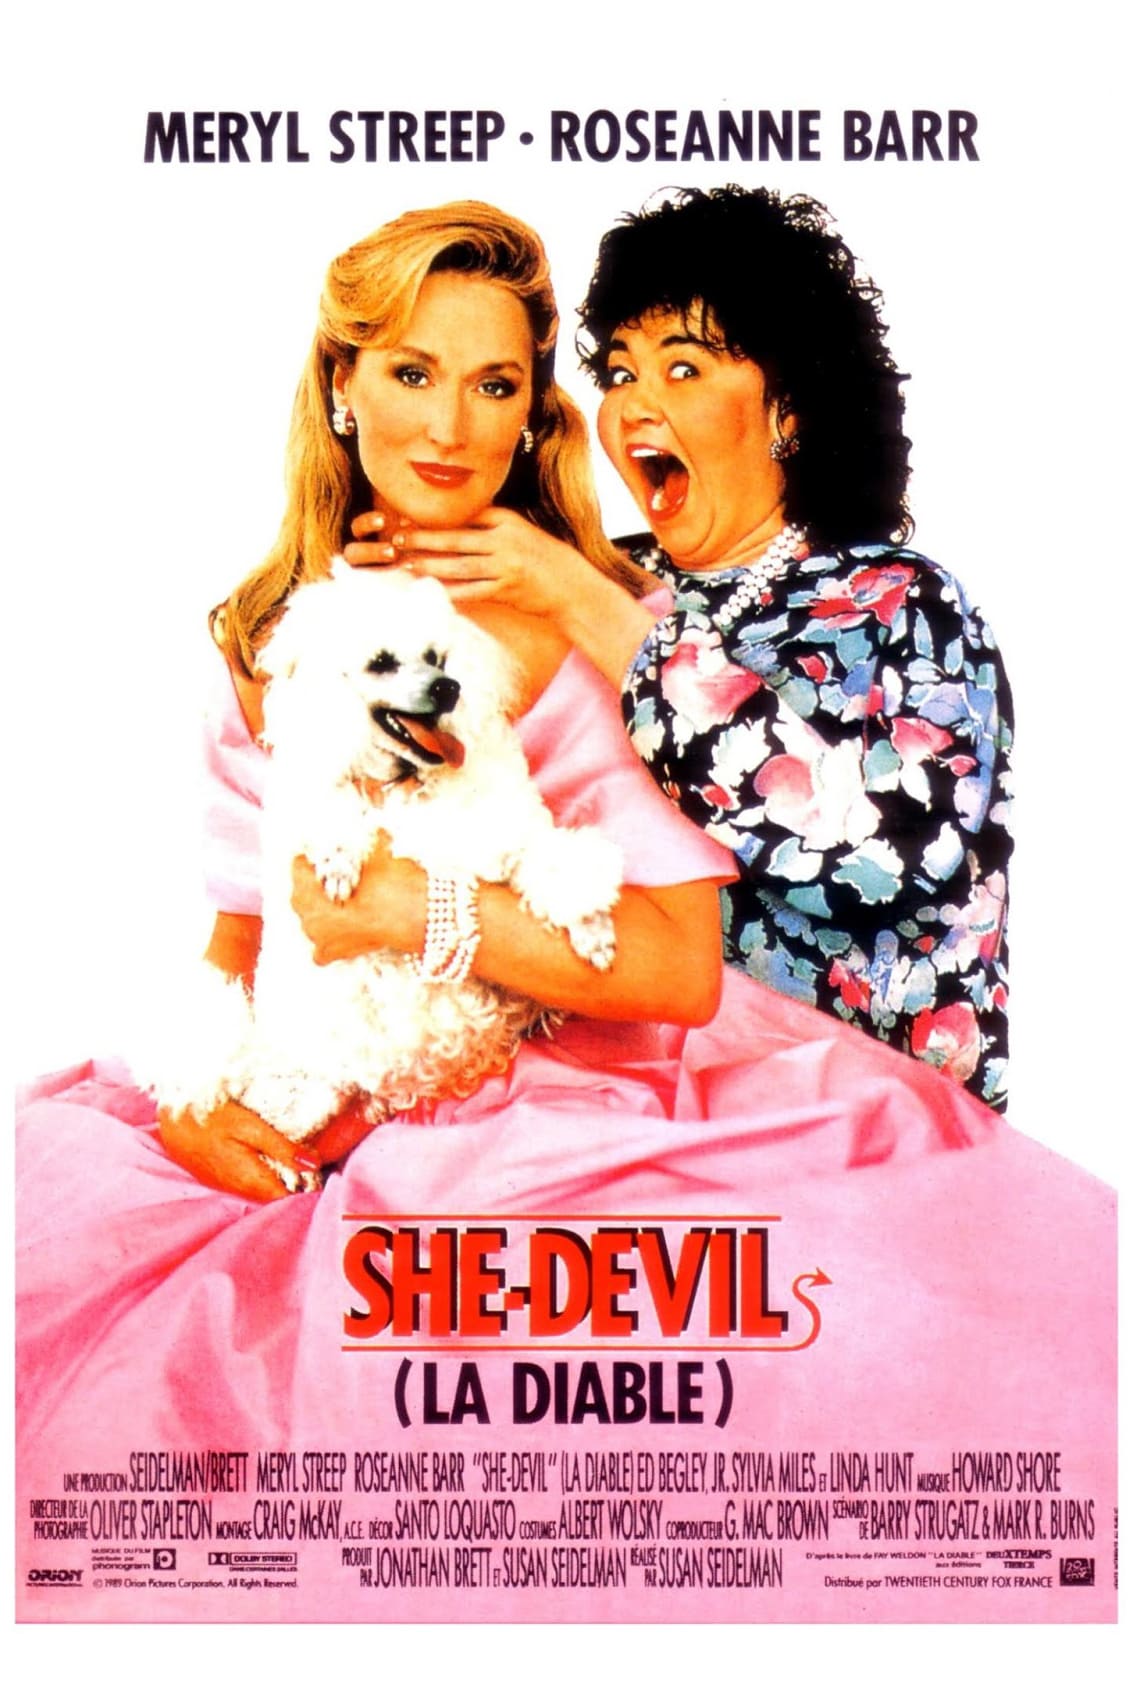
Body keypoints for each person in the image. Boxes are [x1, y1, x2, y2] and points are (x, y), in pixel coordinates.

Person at [14, 201, 1113, 1627]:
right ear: (341, 386)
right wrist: (205, 1094)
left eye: (498, 382)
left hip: (800, 1108)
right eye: (620, 370)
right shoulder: (385, 618)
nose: (455, 424)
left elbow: (809, 872)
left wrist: (558, 632)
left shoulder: (835, 607)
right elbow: (245, 924)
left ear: (785, 405)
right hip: (445, 1082)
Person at [354, 188, 1013, 1109]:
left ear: (788, 409)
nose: (634, 406)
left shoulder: (907, 605)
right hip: (593, 1100)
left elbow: (890, 862)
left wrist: (592, 610)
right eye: (621, 372)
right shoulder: (596, 575)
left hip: (852, 1117)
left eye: (683, 368)